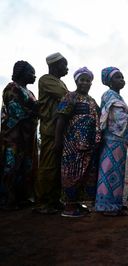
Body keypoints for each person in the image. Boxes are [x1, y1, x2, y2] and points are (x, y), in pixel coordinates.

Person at [55, 67, 101, 217]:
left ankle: (77, 204)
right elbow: (61, 119)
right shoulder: (70, 97)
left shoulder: (92, 101)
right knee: (71, 173)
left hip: (89, 145)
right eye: (82, 79)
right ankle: (68, 208)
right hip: (72, 145)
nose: (85, 83)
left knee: (85, 173)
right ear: (76, 81)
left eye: (88, 80)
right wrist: (58, 140)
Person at [0, 61, 38, 210]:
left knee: (26, 166)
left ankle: (22, 198)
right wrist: (36, 111)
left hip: (27, 137)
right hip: (13, 136)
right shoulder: (11, 88)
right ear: (22, 72)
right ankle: (6, 200)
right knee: (10, 166)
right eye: (32, 73)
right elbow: (17, 111)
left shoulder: (30, 93)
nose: (34, 76)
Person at [34, 52, 69, 214]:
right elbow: (66, 97)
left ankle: (54, 200)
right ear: (55, 66)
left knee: (56, 167)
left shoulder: (59, 82)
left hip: (59, 130)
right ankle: (43, 203)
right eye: (64, 65)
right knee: (48, 166)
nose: (67, 68)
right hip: (50, 129)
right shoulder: (46, 80)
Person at [95, 67, 128, 216]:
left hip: (118, 140)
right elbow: (118, 117)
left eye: (122, 76)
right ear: (109, 81)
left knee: (116, 172)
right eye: (117, 77)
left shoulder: (116, 96)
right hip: (113, 139)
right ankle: (107, 206)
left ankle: (114, 204)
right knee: (110, 170)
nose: (121, 79)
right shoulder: (110, 95)